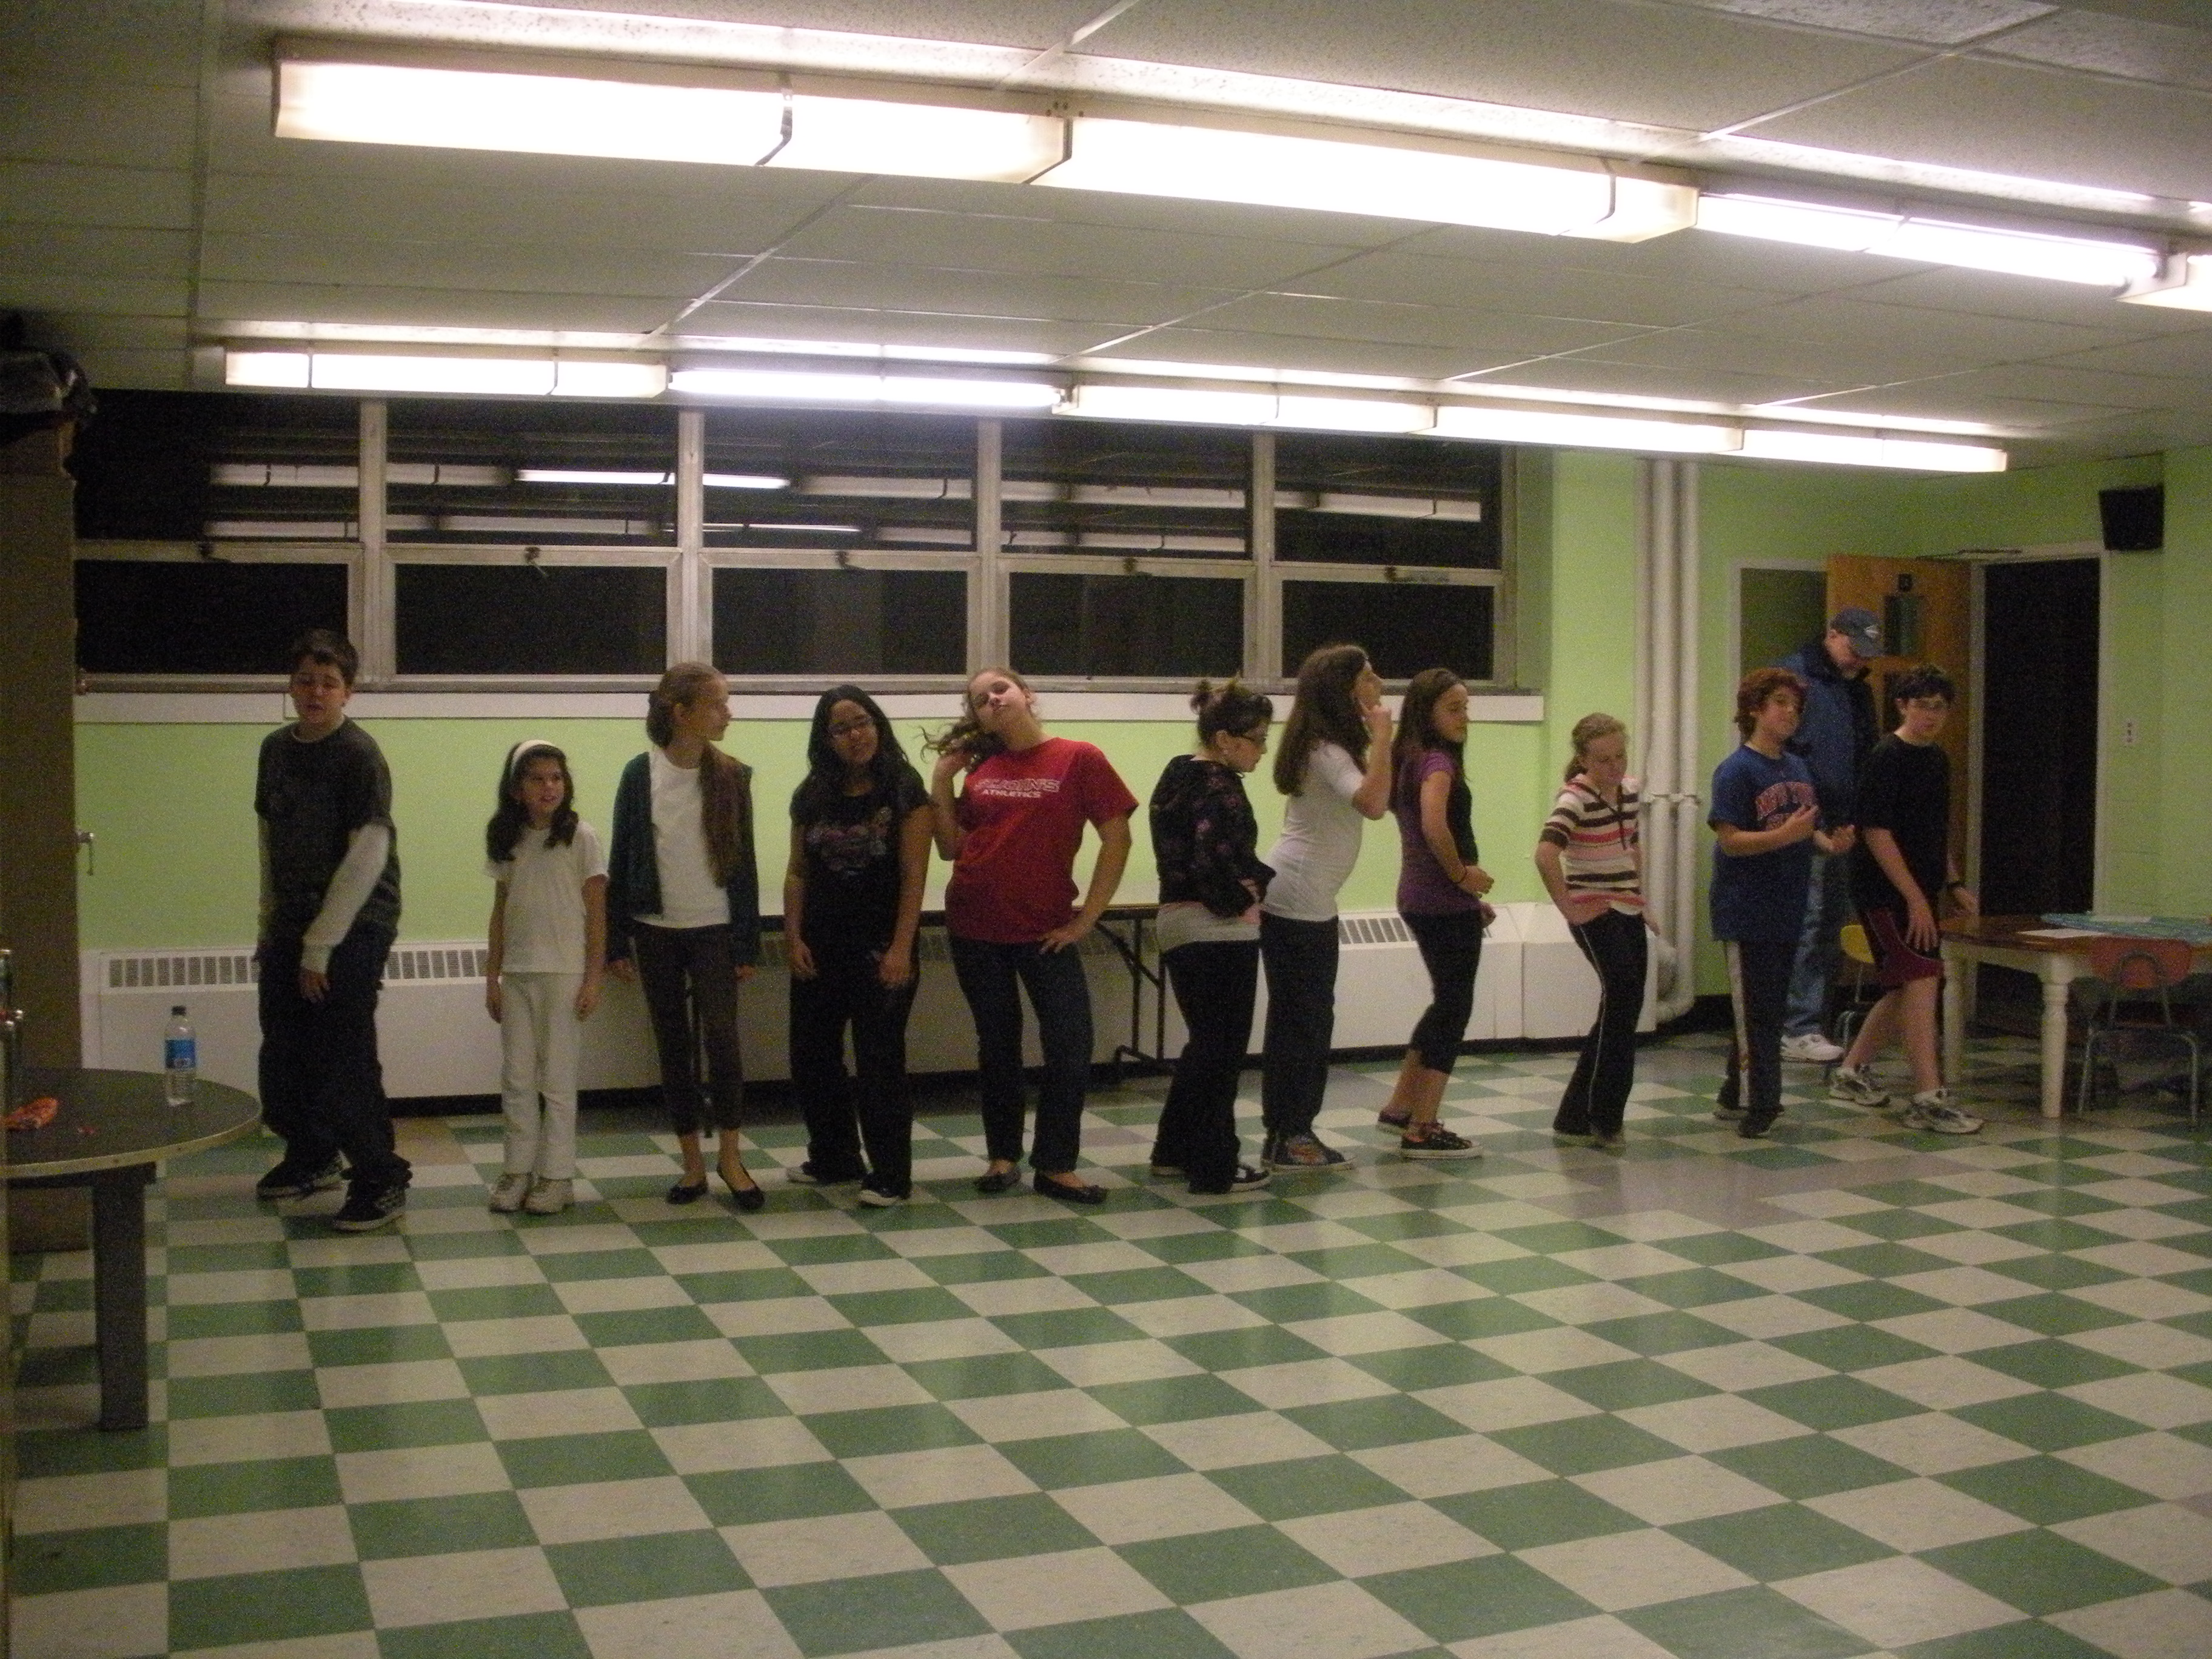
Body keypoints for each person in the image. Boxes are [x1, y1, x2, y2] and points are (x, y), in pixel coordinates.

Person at [928, 667, 1137, 1205]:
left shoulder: (1079, 757)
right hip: (975, 924)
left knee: (1070, 1043)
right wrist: (942, 781)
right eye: (980, 699)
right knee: (998, 1045)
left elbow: (1117, 837)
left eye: (1000, 689)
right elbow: (950, 848)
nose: (992, 700)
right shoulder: (981, 768)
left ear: (1026, 694)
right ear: (976, 717)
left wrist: (1086, 919)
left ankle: (1056, 1165)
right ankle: (1002, 1158)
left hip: (1046, 930)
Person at [252, 629, 411, 1232]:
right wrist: (269, 925)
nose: (315, 692)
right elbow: (268, 840)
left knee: (342, 1055)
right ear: (291, 686)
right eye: (305, 681)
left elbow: (368, 854)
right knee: (283, 1052)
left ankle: (380, 1177)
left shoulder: (358, 755)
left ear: (348, 692)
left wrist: (320, 946)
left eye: (329, 683)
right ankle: (313, 1153)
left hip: (355, 925)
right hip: (292, 920)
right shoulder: (274, 749)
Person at [606, 664, 766, 1211]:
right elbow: (622, 855)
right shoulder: (639, 774)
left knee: (723, 1041)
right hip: (656, 931)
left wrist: (746, 941)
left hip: (715, 929)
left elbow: (744, 862)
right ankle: (692, 1163)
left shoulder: (732, 775)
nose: (728, 713)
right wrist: (615, 940)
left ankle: (731, 1157)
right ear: (681, 712)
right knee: (673, 1045)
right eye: (718, 704)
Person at [783, 685, 934, 1206]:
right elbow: (797, 872)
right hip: (820, 945)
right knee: (811, 1056)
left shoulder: (904, 789)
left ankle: (891, 1175)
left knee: (879, 1063)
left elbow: (914, 875)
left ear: (879, 726)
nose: (855, 735)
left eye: (863, 722)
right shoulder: (811, 794)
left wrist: (901, 949)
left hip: (881, 948)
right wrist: (793, 937)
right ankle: (835, 1157)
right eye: (842, 728)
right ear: (826, 739)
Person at [1828, 665, 1984, 1134]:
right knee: (1922, 981)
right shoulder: (1887, 756)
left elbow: (1935, 834)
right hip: (1884, 891)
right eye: (1921, 706)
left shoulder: (1937, 760)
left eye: (1939, 707)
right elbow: (1876, 833)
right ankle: (1927, 1098)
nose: (1930, 716)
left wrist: (1953, 884)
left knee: (1903, 988)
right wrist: (1914, 897)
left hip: (1920, 890)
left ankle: (1850, 1072)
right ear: (1902, 706)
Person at [1259, 644, 1394, 1171]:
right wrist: (1383, 736)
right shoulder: (1326, 750)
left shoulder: (1332, 745)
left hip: (1306, 897)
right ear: (1345, 690)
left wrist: (1379, 743)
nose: (1379, 683)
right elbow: (1374, 804)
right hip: (1298, 897)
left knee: (1303, 1018)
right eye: (1368, 676)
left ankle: (1289, 1131)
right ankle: (1292, 1135)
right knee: (1305, 1022)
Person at [1148, 679, 1276, 1195]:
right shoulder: (1221, 787)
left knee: (1204, 1044)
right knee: (1221, 1052)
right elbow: (1211, 861)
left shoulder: (1177, 774)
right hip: (1216, 930)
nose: (1263, 750)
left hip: (1176, 922)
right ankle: (1214, 1164)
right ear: (1225, 739)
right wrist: (1248, 891)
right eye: (1257, 739)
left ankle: (1172, 1151)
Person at [1709, 668, 1846, 1138]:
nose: (1791, 713)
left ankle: (1734, 1094)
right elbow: (1730, 841)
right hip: (1747, 910)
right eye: (1782, 703)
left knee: (1763, 1008)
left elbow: (1808, 830)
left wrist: (1830, 844)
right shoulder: (1736, 770)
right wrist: (1783, 836)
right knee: (1760, 1015)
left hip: (1789, 907)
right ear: (1755, 709)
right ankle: (1762, 1103)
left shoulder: (1798, 768)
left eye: (1796, 706)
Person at [482, 740, 606, 1216]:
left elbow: (597, 914)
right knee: (516, 1077)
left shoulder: (582, 838)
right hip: (518, 973)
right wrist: (492, 978)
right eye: (537, 779)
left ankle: (556, 1175)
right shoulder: (508, 840)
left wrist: (592, 979)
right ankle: (517, 1170)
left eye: (556, 778)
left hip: (564, 973)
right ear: (517, 789)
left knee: (557, 1079)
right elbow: (500, 912)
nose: (548, 787)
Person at [1373, 669, 1489, 1159]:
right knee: (1454, 1008)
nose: (1465, 718)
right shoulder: (1437, 762)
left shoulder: (1410, 757)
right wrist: (1462, 878)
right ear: (1428, 712)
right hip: (1441, 901)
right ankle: (1424, 1126)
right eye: (1454, 709)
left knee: (1444, 1003)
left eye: (1466, 708)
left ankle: (1401, 1107)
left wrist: (1468, 899)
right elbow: (1434, 825)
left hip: (1423, 898)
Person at [1537, 714, 1660, 1148]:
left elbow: (1632, 844)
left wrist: (1641, 900)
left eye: (1620, 756)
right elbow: (1546, 854)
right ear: (1584, 760)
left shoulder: (1629, 791)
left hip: (1627, 906)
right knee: (1622, 996)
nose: (1614, 767)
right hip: (1594, 910)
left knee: (1625, 1004)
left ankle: (1576, 1115)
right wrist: (1569, 908)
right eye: (1603, 760)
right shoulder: (1575, 799)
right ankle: (1604, 1116)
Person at [1774, 608, 1883, 1064]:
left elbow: (1865, 754)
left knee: (1829, 925)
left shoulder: (1857, 690)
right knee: (1809, 922)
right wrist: (1808, 822)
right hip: (1805, 824)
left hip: (1845, 824)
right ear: (1832, 635)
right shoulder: (1795, 679)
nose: (1860, 660)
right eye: (1854, 649)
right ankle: (1795, 1026)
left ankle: (1813, 1022)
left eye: (1866, 654)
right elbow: (1785, 753)